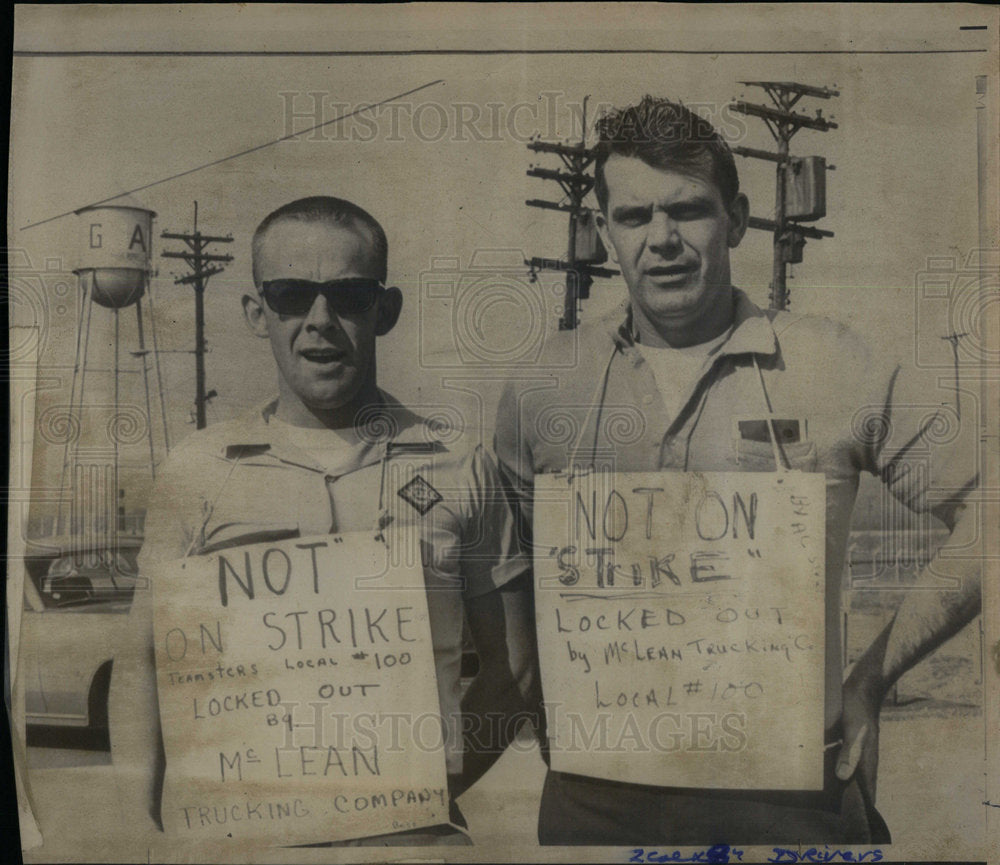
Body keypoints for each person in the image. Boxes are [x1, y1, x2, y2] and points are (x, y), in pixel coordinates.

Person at [494, 96, 981, 845]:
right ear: (601, 233)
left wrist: (871, 678)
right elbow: (506, 568)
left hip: (791, 800)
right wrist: (535, 702)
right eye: (634, 218)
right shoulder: (544, 386)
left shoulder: (834, 364)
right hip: (597, 805)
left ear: (738, 218)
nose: (662, 240)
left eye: (689, 211)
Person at [110, 195, 535, 846]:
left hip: (411, 842)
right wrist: (140, 830)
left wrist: (426, 784)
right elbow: (142, 666)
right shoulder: (196, 468)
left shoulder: (458, 466)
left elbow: (514, 671)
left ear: (384, 310)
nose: (320, 320)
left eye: (349, 294)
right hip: (241, 841)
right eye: (291, 294)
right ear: (258, 313)